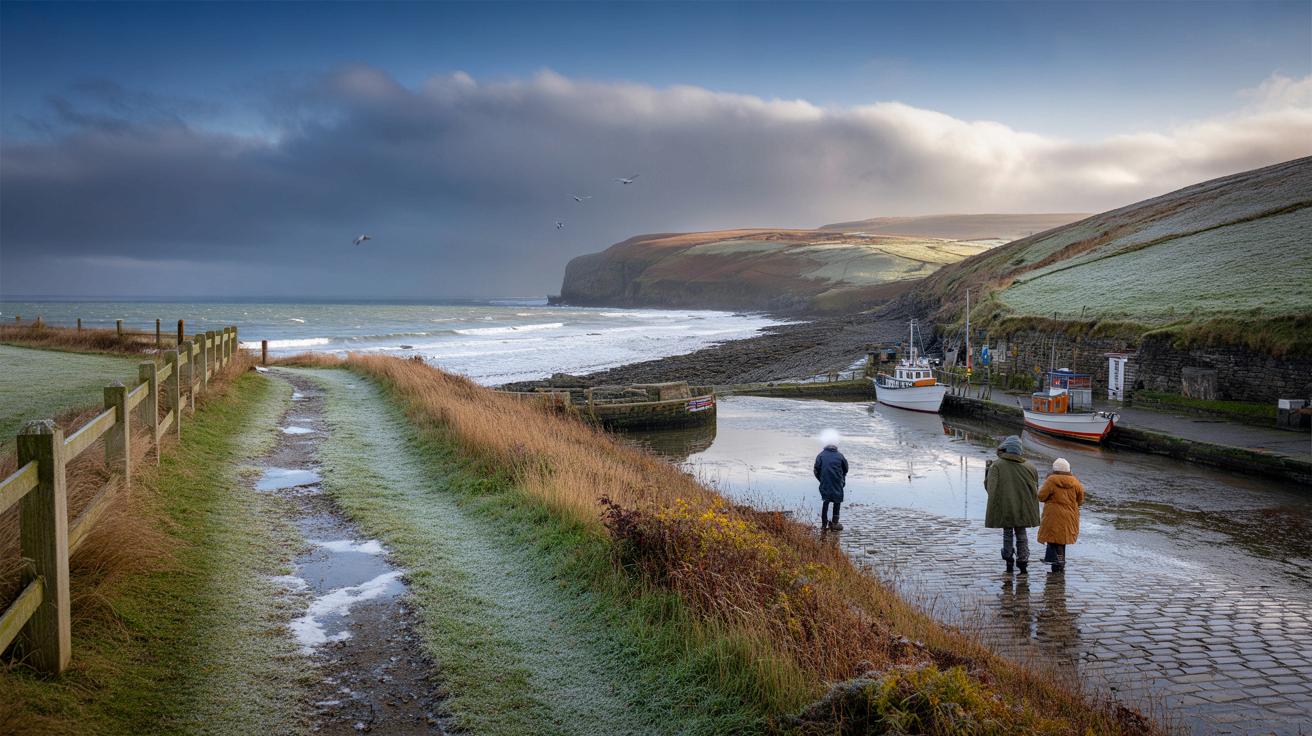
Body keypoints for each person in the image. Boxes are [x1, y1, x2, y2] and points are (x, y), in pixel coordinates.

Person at [984, 435, 1039, 574]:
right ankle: (1023, 560)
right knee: (1021, 532)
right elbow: (1035, 488)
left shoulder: (996, 465)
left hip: (1005, 505)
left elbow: (990, 488)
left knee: (1007, 531)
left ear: (1005, 448)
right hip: (1024, 507)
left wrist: (987, 472)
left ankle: (1008, 557)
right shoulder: (1030, 466)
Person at [1037, 457, 1085, 573]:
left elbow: (1041, 496)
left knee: (1053, 538)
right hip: (1070, 516)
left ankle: (1056, 561)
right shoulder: (1075, 481)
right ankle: (1060, 562)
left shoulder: (1051, 480)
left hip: (1053, 515)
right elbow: (1080, 500)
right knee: (1062, 539)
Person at [813, 441, 849, 531]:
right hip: (837, 482)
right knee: (837, 501)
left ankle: (824, 524)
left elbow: (816, 470)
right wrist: (842, 480)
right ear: (835, 446)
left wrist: (821, 480)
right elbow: (846, 469)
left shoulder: (821, 455)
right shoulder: (840, 456)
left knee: (826, 501)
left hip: (825, 483)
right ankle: (835, 523)